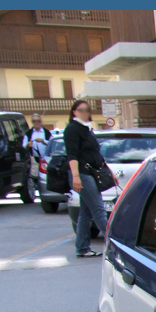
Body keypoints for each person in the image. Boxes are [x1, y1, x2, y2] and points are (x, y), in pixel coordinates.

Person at [64, 99, 111, 259]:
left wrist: (109, 171)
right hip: (82, 174)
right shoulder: (72, 129)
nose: (85, 113)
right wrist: (76, 176)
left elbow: (96, 153)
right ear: (74, 112)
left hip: (90, 173)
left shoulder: (86, 129)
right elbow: (72, 154)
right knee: (98, 210)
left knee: (85, 213)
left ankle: (82, 248)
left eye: (87, 110)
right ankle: (117, 245)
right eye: (81, 110)